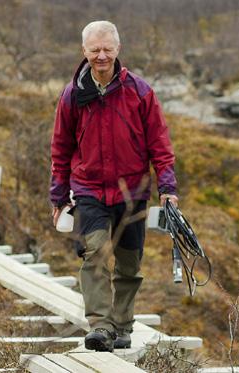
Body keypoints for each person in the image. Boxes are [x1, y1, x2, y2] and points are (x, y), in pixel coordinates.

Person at [49, 20, 178, 352]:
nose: (101, 56)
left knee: (129, 263)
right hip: (89, 189)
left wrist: (167, 188)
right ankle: (101, 326)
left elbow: (160, 146)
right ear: (84, 51)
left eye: (107, 49)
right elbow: (60, 148)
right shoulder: (72, 95)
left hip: (133, 190)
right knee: (93, 254)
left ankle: (121, 325)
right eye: (95, 50)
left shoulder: (141, 92)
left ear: (118, 49)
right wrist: (59, 196)